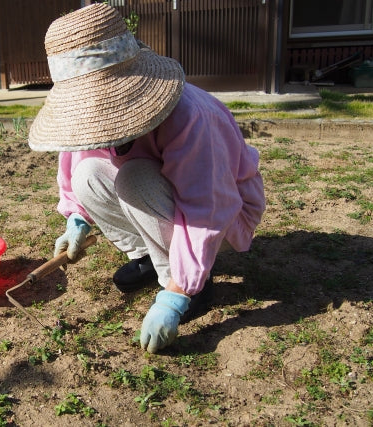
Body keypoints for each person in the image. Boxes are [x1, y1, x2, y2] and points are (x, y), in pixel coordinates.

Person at [28, 3, 266, 353]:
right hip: (165, 200)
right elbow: (82, 157)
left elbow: (206, 207)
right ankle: (146, 256)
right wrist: (77, 219)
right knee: (88, 175)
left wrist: (178, 292)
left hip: (224, 216)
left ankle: (188, 283)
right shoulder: (94, 120)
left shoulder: (189, 117)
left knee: (135, 178)